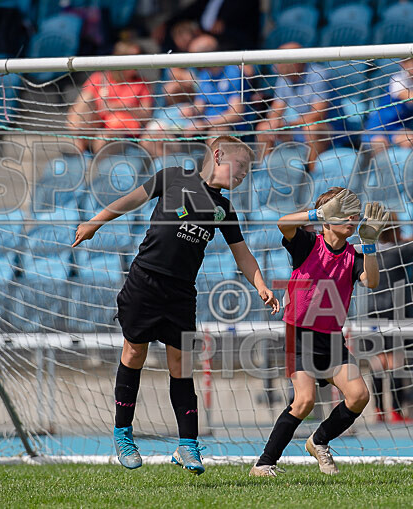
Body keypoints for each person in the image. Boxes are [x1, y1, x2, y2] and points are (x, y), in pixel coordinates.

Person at [72, 135, 280, 473]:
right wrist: (95, 222)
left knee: (181, 366)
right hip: (145, 282)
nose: (243, 176)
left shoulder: (223, 209)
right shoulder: (172, 177)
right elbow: (130, 200)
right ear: (218, 155)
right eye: (240, 168)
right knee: (134, 353)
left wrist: (260, 286)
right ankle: (123, 432)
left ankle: (187, 445)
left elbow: (242, 254)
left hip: (181, 293)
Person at [249, 189, 388, 477]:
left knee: (359, 395)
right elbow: (283, 223)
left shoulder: (353, 255)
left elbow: (372, 281)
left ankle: (319, 441)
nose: (353, 217)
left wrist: (370, 244)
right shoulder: (307, 243)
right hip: (299, 336)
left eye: (355, 211)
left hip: (332, 340)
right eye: (345, 210)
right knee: (304, 401)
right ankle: (263, 463)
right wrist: (315, 215)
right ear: (326, 217)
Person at [366, 215, 413, 423]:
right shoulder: (402, 249)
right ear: (394, 231)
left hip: (374, 310)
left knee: (378, 361)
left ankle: (378, 410)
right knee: (395, 361)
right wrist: (407, 239)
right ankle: (395, 410)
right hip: (397, 310)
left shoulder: (371, 252)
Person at [256, 42, 340, 171]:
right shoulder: (283, 79)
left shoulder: (319, 75)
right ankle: (262, 171)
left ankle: (311, 172)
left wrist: (288, 125)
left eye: (279, 61)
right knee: (264, 127)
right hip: (299, 126)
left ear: (296, 62)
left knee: (312, 129)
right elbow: (276, 109)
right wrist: (274, 122)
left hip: (331, 129)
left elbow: (318, 114)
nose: (275, 66)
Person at [66, 41, 153, 154]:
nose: (137, 63)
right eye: (133, 58)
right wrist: (100, 107)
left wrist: (118, 107)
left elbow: (146, 115)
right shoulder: (99, 78)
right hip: (94, 126)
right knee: (86, 99)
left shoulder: (141, 83)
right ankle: (79, 147)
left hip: (122, 131)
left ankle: (84, 155)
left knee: (103, 138)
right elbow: (80, 108)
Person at [363, 57, 413, 150]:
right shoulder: (397, 80)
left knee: (409, 140)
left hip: (399, 128)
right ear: (403, 64)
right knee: (380, 144)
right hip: (381, 125)